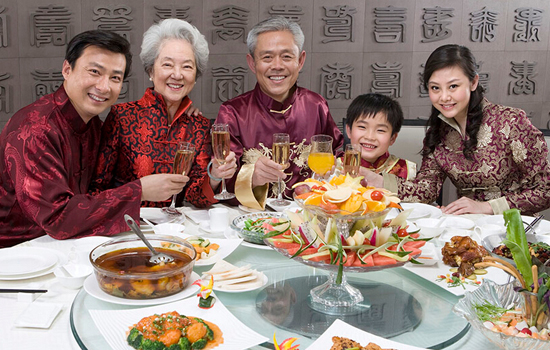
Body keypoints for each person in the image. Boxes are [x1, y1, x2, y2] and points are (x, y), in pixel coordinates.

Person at [0, 30, 188, 247]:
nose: (104, 86)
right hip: (15, 252)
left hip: (65, 245)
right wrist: (140, 190)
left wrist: (179, 111)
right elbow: (57, 218)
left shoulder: (95, 127)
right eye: (94, 72)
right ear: (67, 70)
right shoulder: (35, 129)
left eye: (115, 78)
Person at [362, 44, 550, 215]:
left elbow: (545, 190)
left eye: (453, 86)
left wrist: (486, 207)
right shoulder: (438, 133)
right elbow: (427, 190)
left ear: (473, 82)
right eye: (435, 88)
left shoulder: (510, 121)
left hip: (515, 228)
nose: (444, 97)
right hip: (468, 227)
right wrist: (379, 181)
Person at [92, 19, 237, 208]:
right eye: (167, 65)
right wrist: (137, 191)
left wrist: (216, 176)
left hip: (174, 230)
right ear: (151, 70)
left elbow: (196, 198)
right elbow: (96, 189)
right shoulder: (122, 116)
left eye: (187, 66)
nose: (177, 75)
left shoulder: (199, 125)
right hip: (129, 224)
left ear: (195, 75)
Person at [216, 16, 343, 210]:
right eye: (267, 57)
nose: (277, 66)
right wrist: (250, 178)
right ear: (252, 63)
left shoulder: (317, 105)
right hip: (253, 219)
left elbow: (339, 158)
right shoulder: (233, 112)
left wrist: (333, 174)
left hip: (310, 217)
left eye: (286, 56)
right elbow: (221, 182)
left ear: (300, 61)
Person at [345, 93, 416, 180]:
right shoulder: (334, 168)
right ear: (349, 131)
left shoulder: (405, 171)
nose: (370, 137)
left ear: (392, 138)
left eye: (380, 130)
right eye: (362, 127)